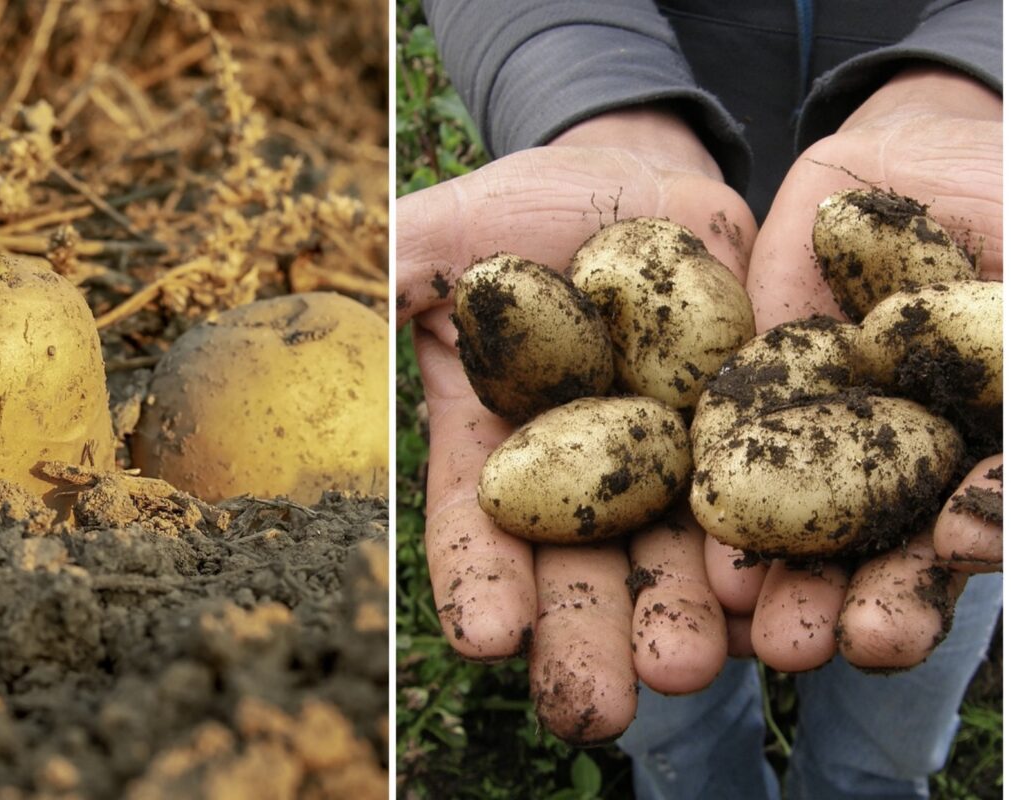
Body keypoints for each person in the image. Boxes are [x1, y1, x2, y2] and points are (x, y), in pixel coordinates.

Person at [396, 2, 1002, 797]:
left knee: (894, 704)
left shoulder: (877, 351)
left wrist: (976, 81)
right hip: (668, 179)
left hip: (956, 223)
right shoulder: (678, 391)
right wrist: (594, 100)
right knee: (671, 703)